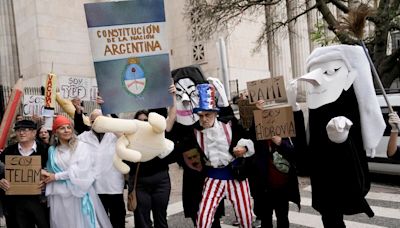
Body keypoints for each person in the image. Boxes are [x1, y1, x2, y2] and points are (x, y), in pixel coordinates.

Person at [294, 45, 385, 227]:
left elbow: (354, 134)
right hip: (323, 174)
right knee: (330, 218)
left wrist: (342, 138)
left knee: (332, 217)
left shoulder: (349, 97)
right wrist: (294, 109)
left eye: (332, 70)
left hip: (341, 171)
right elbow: (305, 150)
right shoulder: (316, 109)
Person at [193, 83, 254, 228]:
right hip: (213, 177)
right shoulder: (194, 131)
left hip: (236, 177)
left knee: (246, 218)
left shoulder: (230, 125)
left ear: (215, 113)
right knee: (203, 218)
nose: (204, 119)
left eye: (207, 115)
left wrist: (244, 148)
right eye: (201, 115)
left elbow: (250, 138)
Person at [43, 115, 112, 228]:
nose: (66, 130)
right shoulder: (52, 150)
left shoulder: (81, 146)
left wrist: (56, 176)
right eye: (62, 128)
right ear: (55, 132)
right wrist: (45, 174)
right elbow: (50, 170)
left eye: (68, 127)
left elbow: (80, 170)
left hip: (77, 192)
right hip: (59, 194)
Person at [127, 84, 176, 228]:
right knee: (143, 221)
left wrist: (173, 96)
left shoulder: (159, 133)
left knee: (161, 218)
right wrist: (105, 107)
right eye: (140, 121)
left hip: (161, 181)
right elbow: (114, 128)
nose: (144, 123)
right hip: (140, 183)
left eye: (146, 120)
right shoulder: (131, 136)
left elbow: (171, 117)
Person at [73, 99, 126, 228]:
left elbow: (121, 128)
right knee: (97, 221)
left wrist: (106, 109)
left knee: (117, 220)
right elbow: (77, 128)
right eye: (94, 120)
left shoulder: (115, 135)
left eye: (101, 120)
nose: (97, 123)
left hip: (114, 185)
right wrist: (78, 112)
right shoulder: (83, 137)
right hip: (94, 187)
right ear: (90, 123)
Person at [247, 100, 300, 228]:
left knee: (282, 218)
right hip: (264, 187)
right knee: (266, 219)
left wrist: (280, 143)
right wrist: (258, 112)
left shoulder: (285, 134)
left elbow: (295, 153)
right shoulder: (259, 137)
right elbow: (250, 138)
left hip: (281, 186)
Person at [0, 120, 50, 228]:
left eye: (25, 130)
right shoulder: (9, 151)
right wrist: (1, 181)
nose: (21, 133)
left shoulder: (46, 150)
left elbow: (54, 171)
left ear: (34, 133)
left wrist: (47, 180)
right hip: (15, 202)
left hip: (40, 200)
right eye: (18, 130)